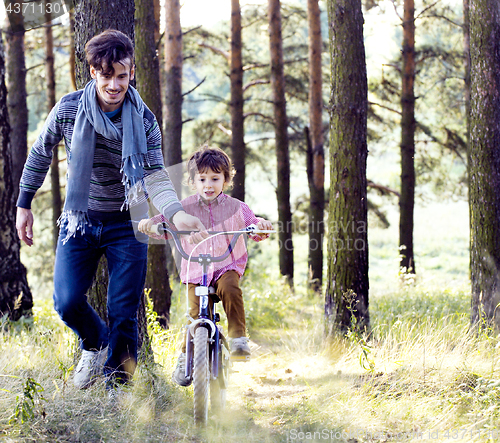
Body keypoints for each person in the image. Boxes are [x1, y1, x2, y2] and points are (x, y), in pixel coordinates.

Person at [15, 30, 204, 394]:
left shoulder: (144, 119)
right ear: (92, 73)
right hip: (80, 221)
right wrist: (24, 203)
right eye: (106, 76)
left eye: (121, 75)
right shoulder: (69, 108)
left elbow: (154, 174)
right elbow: (40, 153)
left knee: (123, 312)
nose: (114, 85)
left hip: (128, 224)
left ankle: (118, 390)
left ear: (132, 72)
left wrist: (176, 214)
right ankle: (94, 343)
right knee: (66, 301)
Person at [138, 146, 273, 387]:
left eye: (215, 178)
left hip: (225, 267)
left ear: (226, 180)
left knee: (231, 289)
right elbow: (165, 222)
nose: (208, 184)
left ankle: (239, 338)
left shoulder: (236, 207)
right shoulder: (183, 208)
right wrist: (150, 224)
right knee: (194, 316)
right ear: (193, 181)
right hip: (196, 271)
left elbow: (252, 225)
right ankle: (184, 358)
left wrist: (261, 226)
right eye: (202, 179)